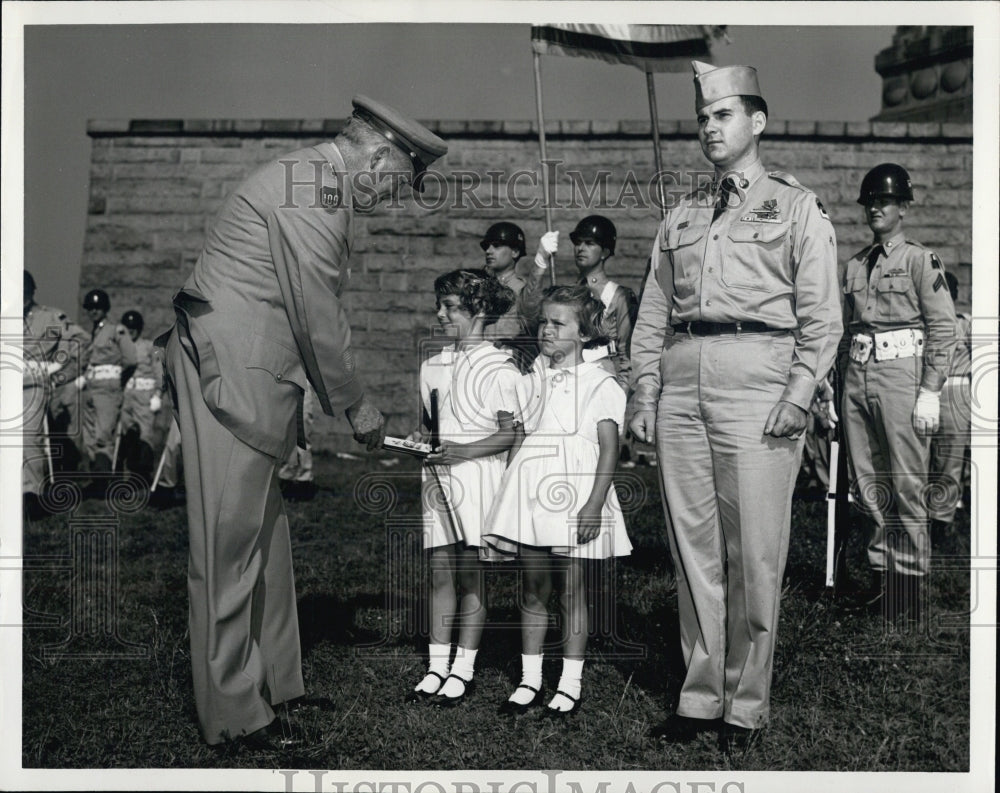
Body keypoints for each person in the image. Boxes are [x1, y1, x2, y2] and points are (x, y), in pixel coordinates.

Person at [161, 94, 447, 747]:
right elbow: (316, 310)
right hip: (230, 372)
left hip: (250, 375)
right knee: (230, 546)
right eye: (397, 181)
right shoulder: (312, 188)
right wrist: (356, 402)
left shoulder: (315, 182)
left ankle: (278, 683)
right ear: (377, 155)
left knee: (264, 544)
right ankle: (233, 712)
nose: (392, 196)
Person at [628, 61, 841, 752]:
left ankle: (746, 704)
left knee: (754, 551)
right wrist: (644, 389)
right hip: (683, 385)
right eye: (701, 118)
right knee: (692, 550)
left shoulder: (797, 206)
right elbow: (653, 311)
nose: (709, 129)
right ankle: (699, 695)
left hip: (759, 385)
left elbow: (822, 317)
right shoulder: (683, 215)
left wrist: (800, 392)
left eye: (722, 116)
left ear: (758, 122)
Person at [484, 285, 632, 717]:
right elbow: (520, 438)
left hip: (576, 490)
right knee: (533, 588)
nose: (546, 331)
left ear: (584, 335)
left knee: (572, 591)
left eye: (558, 324)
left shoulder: (600, 382)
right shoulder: (532, 380)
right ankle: (530, 679)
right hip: (531, 490)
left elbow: (608, 449)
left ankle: (570, 681)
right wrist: (507, 498)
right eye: (544, 322)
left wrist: (593, 504)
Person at [839, 163, 958, 620]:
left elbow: (943, 328)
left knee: (907, 482)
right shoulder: (854, 265)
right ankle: (879, 579)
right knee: (867, 481)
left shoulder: (918, 260)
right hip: (858, 376)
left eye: (884, 201)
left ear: (903, 208)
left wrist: (930, 390)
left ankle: (907, 592)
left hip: (901, 377)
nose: (875, 208)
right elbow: (845, 330)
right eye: (869, 201)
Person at [407, 269, 519, 706]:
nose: (440, 314)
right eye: (440, 305)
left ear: (479, 311)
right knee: (439, 572)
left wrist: (463, 452)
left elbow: (509, 434)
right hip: (437, 478)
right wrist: (420, 441)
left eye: (450, 307)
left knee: (472, 575)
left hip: (476, 475)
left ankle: (464, 668)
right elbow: (429, 427)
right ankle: (436, 665)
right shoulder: (431, 365)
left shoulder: (500, 365)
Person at [21, 270, 88, 516]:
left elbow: (80, 341)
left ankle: (32, 495)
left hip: (32, 386)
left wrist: (58, 370)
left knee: (28, 438)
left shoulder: (49, 318)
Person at [77, 289, 137, 487]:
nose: (94, 311)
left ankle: (103, 482)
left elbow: (130, 359)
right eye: (90, 308)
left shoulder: (116, 330)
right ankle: (98, 476)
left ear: (105, 309)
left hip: (108, 388)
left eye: (98, 307)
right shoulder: (92, 333)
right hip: (91, 387)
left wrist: (118, 382)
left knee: (104, 433)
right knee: (89, 436)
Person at [928, 271, 972, 535]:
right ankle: (920, 514)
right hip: (923, 392)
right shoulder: (923, 325)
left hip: (955, 391)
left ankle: (942, 519)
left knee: (950, 457)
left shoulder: (964, 324)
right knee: (921, 456)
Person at [480, 221, 548, 368]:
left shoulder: (523, 290)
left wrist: (541, 260)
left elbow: (531, 303)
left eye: (497, 246)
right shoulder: (478, 287)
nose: (489, 251)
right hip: (480, 359)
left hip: (512, 362)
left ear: (515, 252)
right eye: (487, 246)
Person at [118, 310, 163, 480]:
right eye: (128, 328)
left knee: (145, 434)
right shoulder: (119, 346)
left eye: (134, 328)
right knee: (126, 433)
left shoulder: (150, 347)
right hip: (125, 395)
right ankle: (128, 471)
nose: (131, 331)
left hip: (144, 396)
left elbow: (159, 372)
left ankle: (143, 475)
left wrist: (158, 394)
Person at [278, 385, 317, 502]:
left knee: (303, 425)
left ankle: (303, 481)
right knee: (285, 428)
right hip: (281, 378)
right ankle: (286, 478)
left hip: (303, 379)